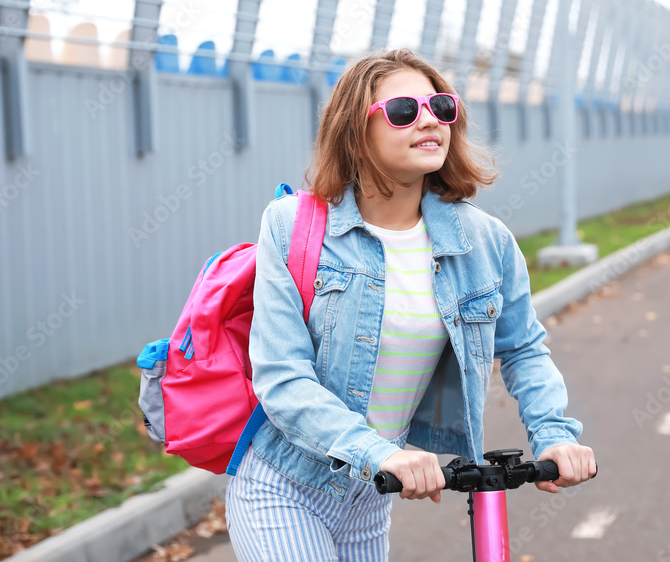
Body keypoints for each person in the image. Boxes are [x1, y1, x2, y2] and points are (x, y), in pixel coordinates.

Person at [225, 48, 595, 561]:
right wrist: (377, 451)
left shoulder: (484, 242)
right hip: (286, 486)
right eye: (404, 111)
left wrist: (553, 434)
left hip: (371, 497)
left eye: (441, 107)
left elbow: (524, 349)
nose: (430, 122)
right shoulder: (292, 226)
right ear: (357, 129)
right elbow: (282, 377)